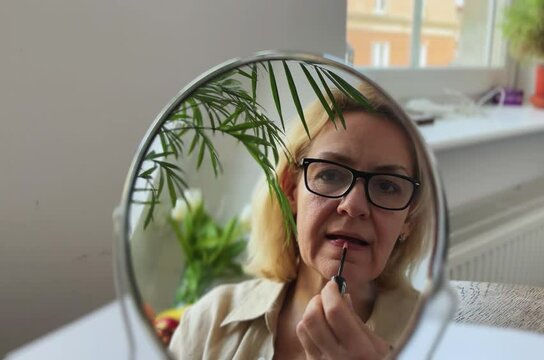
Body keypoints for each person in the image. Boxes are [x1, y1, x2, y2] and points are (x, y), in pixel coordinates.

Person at [169, 84, 436, 359]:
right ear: (290, 190)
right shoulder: (209, 321)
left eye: (387, 186)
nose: (354, 206)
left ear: (410, 218)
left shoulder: (441, 339)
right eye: (331, 175)